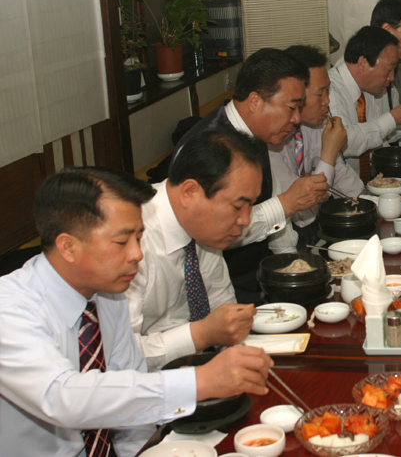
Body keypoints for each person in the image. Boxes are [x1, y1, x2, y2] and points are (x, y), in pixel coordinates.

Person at [0, 167, 273, 457]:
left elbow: (131, 408)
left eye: (140, 238)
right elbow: (61, 397)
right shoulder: (11, 308)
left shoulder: (108, 297)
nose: (137, 254)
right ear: (68, 246)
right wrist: (200, 381)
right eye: (121, 242)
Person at [172, 48, 331, 304]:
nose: (297, 118)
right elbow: (205, 234)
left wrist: (293, 267)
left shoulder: (254, 132)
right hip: (224, 292)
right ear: (255, 101)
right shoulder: (205, 148)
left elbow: (274, 196)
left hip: (263, 276)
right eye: (291, 107)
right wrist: (287, 204)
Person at [128, 127, 270, 371]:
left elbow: (221, 303)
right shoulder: (130, 241)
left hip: (200, 376)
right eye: (238, 206)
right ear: (190, 192)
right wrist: (201, 335)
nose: (246, 220)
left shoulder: (204, 231)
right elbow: (118, 358)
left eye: (251, 205)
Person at [272, 45, 363, 249]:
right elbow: (302, 209)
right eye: (320, 93)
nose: (327, 101)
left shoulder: (314, 124)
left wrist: (368, 206)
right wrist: (329, 152)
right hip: (284, 241)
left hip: (315, 229)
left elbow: (343, 178)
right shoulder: (271, 139)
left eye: (328, 90)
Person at [328, 26, 401, 175]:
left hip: (368, 183)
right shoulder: (329, 89)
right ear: (362, 63)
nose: (392, 77)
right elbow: (345, 142)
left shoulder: (366, 88)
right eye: (389, 69)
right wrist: (392, 118)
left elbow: (376, 134)